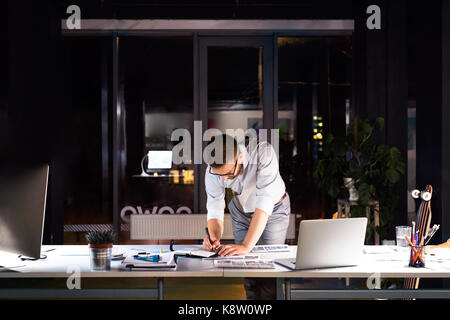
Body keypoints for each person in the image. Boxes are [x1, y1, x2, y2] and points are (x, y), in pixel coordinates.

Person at [202, 133, 290, 300]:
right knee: (247, 270)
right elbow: (214, 206)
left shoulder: (264, 153)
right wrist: (214, 239)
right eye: (219, 175)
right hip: (241, 210)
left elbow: (264, 203)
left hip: (274, 210)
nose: (223, 179)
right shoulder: (213, 170)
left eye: (228, 174)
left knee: (270, 269)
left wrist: (245, 245)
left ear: (240, 157)